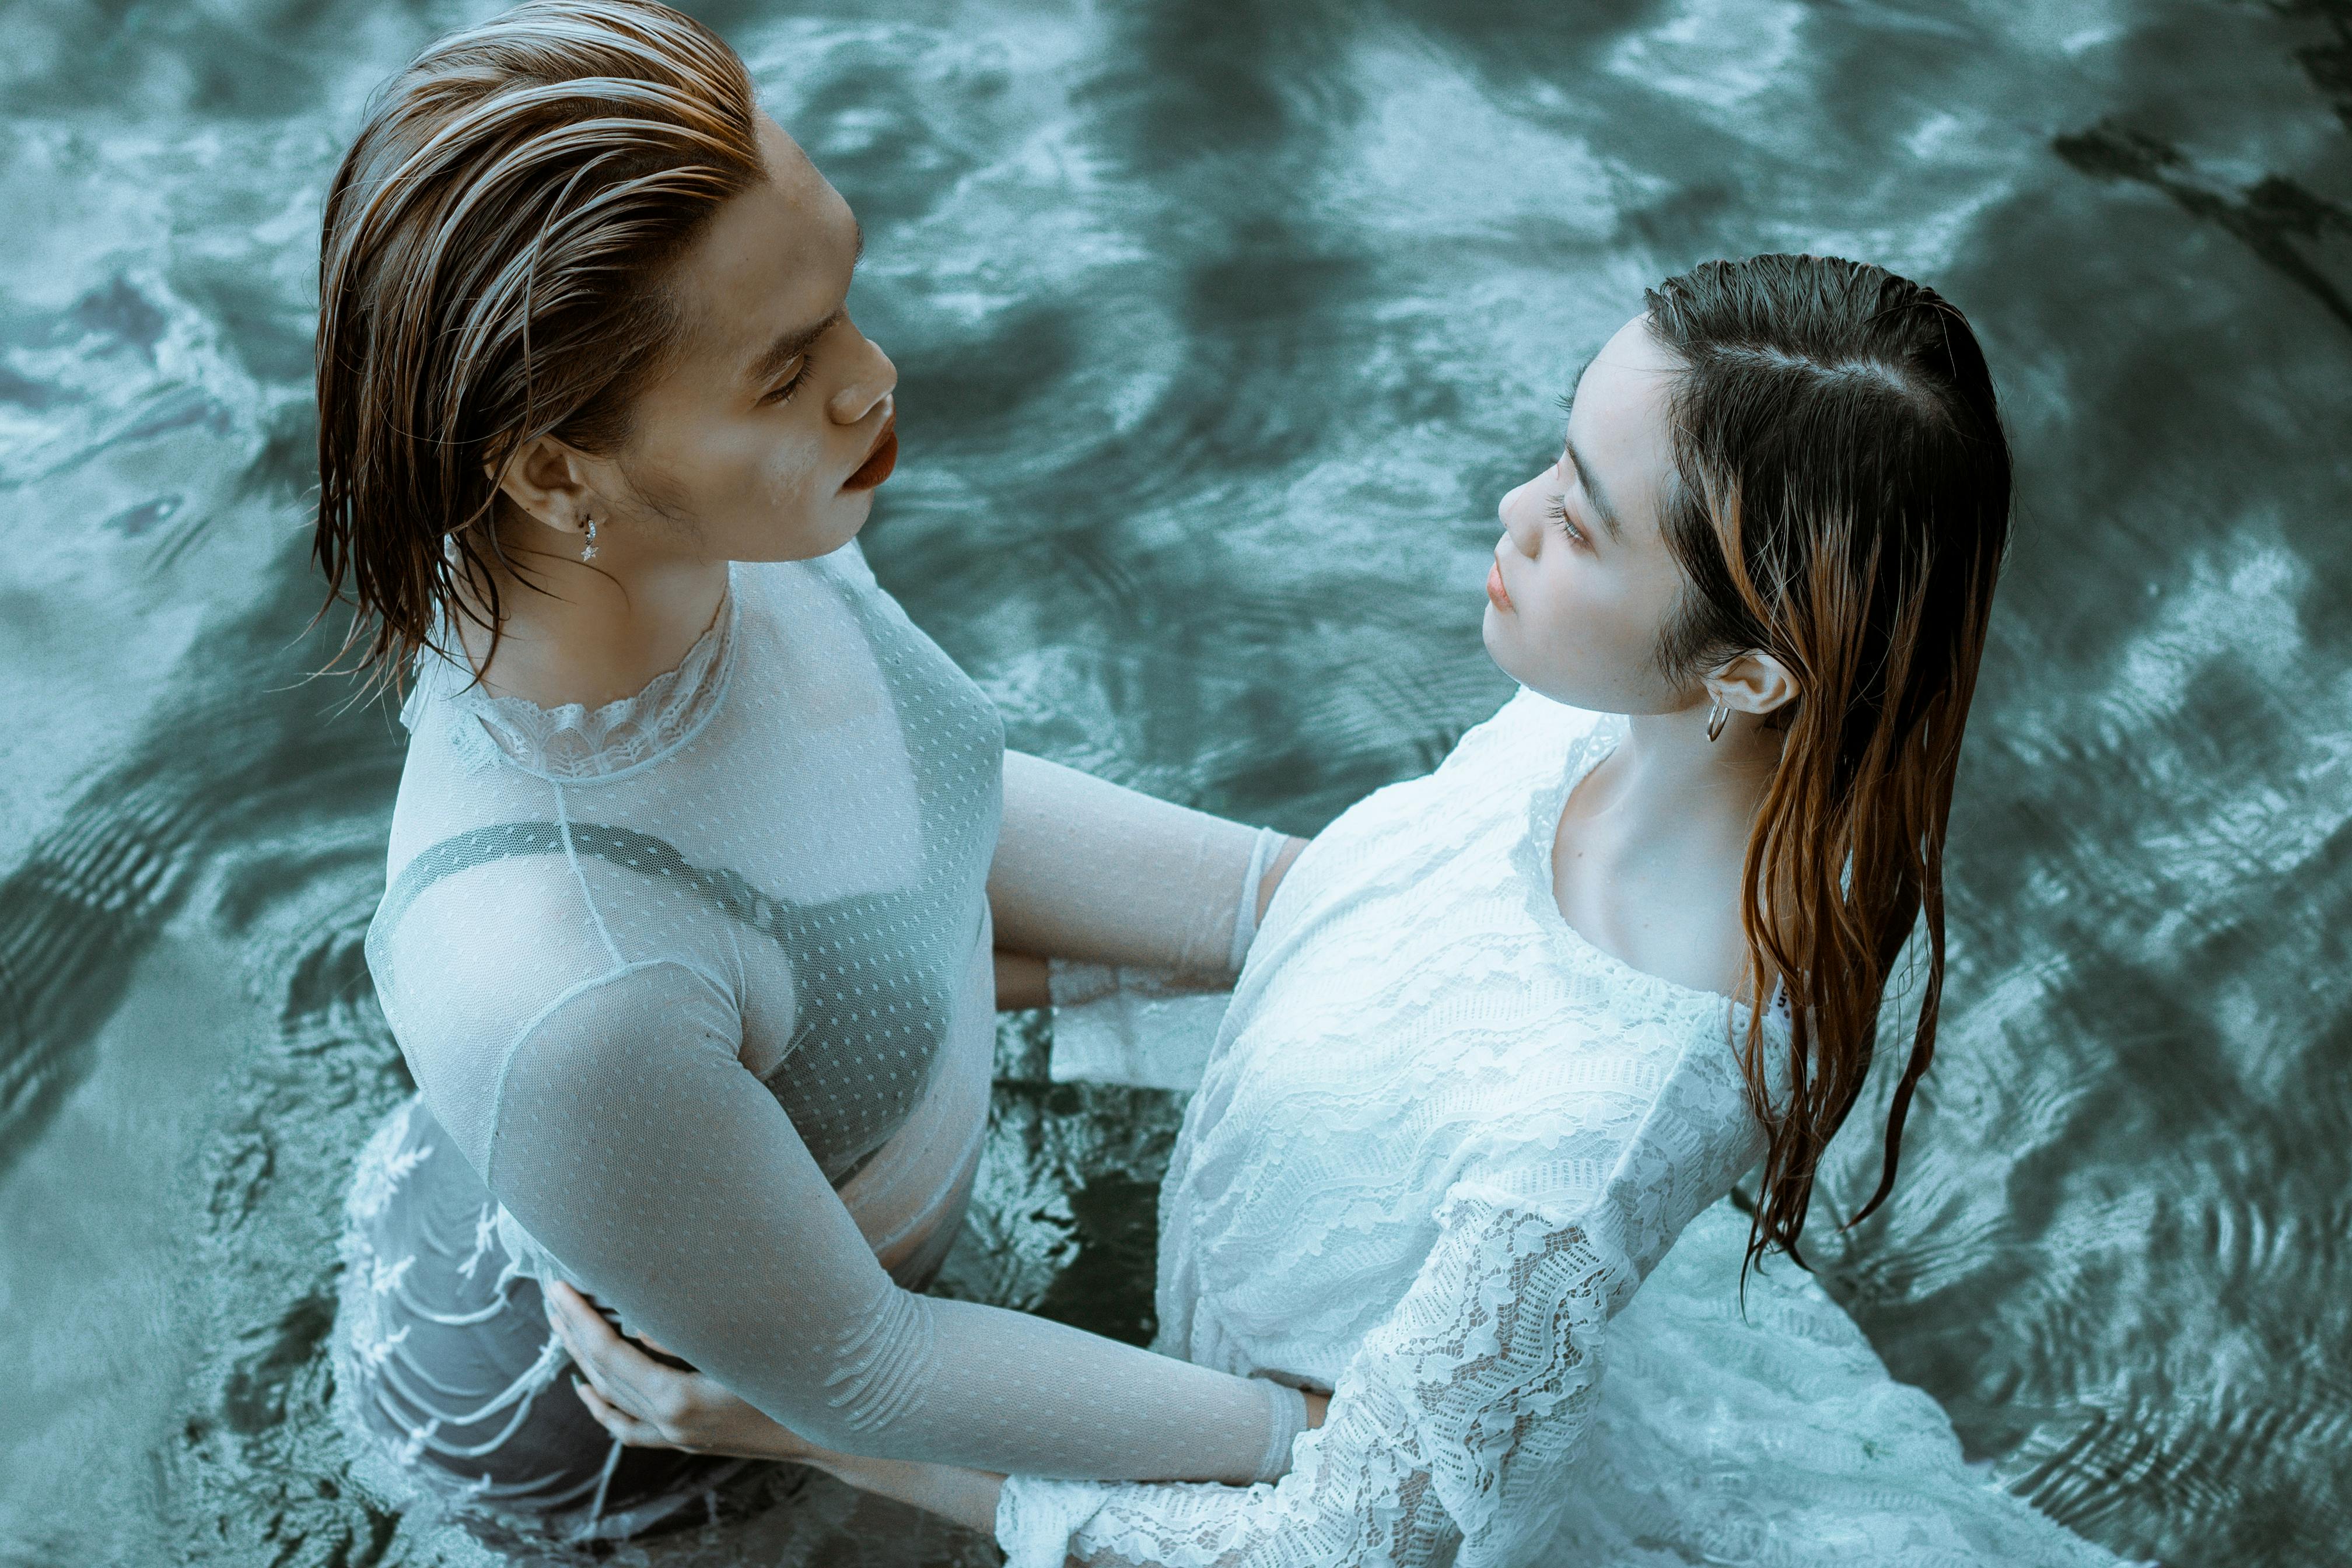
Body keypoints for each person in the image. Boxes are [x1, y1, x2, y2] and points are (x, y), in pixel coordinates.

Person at [549, 258, 2158, 1568]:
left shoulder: (1598, 1125)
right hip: (1263, 1321)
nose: (1515, 509)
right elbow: (1377, 958)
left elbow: (1341, 1544)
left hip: (1280, 1477)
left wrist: (808, 1420)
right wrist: (917, 979)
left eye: (1583, 523)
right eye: (1559, 453)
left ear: (1747, 669)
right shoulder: (1590, 727)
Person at [314, 0, 1332, 1548]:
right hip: (647, 1463)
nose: (875, 379)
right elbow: (862, 1364)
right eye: (789, 373)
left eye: (845, 301)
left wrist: (1327, 906)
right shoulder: (557, 967)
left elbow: (920, 816)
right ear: (548, 469)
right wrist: (1320, 1430)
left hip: (713, 1203)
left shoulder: (723, 533)